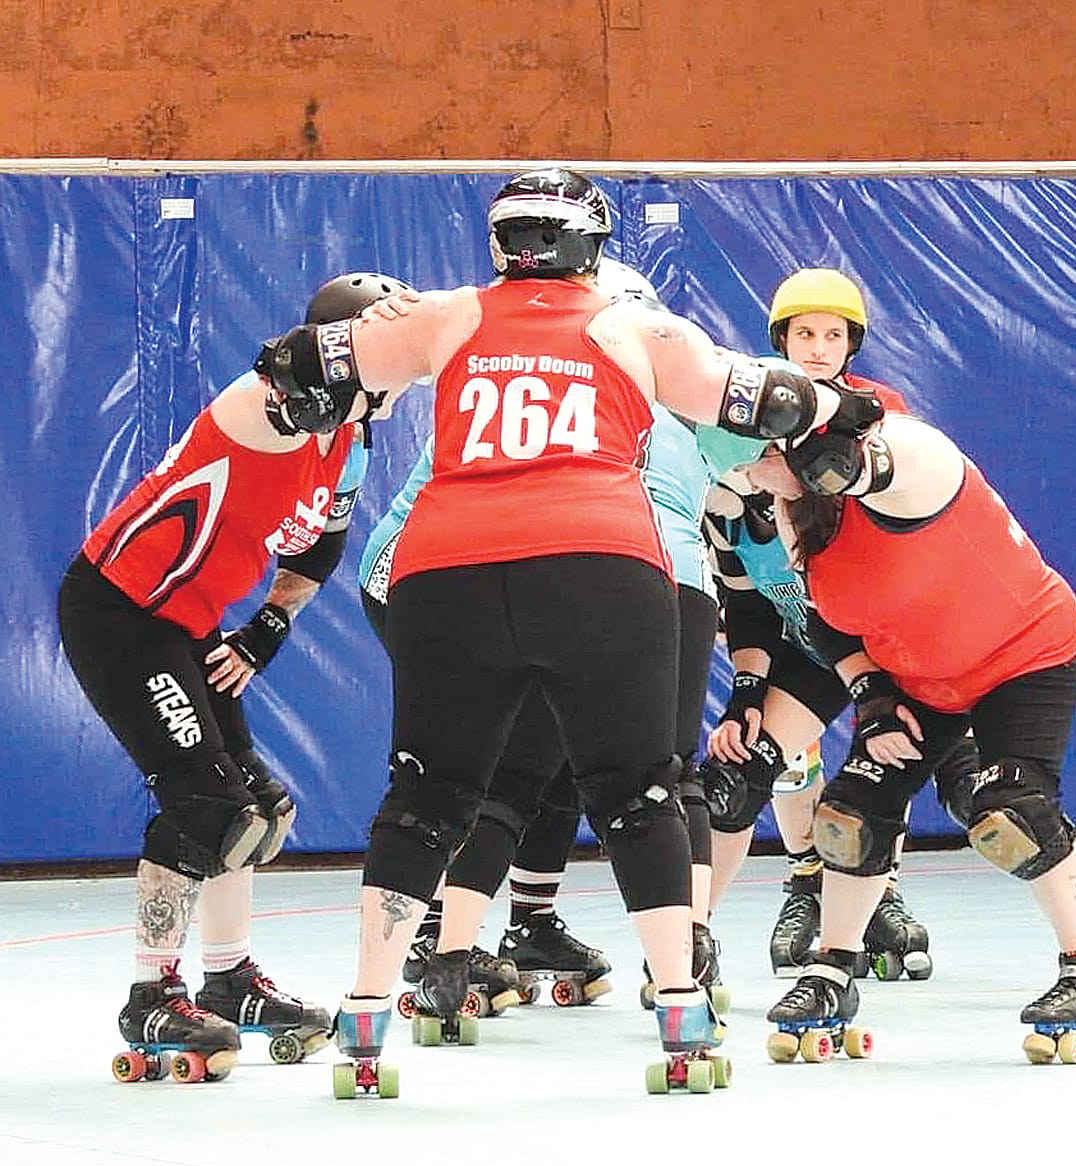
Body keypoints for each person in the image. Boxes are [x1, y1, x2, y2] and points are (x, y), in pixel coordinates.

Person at [253, 167, 832, 1095]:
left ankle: (365, 1016)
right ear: (590, 245)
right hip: (597, 565)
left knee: (427, 794)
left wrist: (339, 347)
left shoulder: (449, 314)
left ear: (501, 243)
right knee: (640, 788)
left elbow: (301, 361)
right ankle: (680, 1009)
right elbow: (769, 400)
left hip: (444, 570)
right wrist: (844, 411)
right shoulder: (636, 326)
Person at [57, 271, 409, 1082]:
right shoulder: (273, 406)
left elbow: (318, 550)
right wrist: (356, 352)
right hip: (120, 612)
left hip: (189, 622)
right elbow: (281, 374)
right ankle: (151, 994)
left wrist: (268, 628)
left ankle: (229, 978)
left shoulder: (350, 441)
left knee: (258, 809)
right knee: (207, 809)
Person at [355, 257, 722, 1017]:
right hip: (614, 577)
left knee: (479, 779)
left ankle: (457, 949)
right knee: (629, 781)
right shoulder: (665, 393)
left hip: (436, 576)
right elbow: (770, 452)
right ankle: (678, 974)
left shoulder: (483, 356)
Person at [732, 377, 1076, 1065]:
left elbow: (880, 454)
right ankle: (833, 969)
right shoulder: (798, 513)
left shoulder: (918, 468)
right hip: (923, 678)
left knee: (1011, 813)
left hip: (1022, 652)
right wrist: (873, 699)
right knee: (849, 815)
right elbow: (828, 621)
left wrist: (811, 452)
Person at [695, 268, 952, 982]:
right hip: (802, 635)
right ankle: (721, 924)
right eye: (803, 333)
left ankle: (880, 891)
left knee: (912, 762)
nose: (816, 347)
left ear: (850, 345)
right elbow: (744, 597)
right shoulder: (735, 454)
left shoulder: (875, 415)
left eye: (831, 335)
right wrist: (746, 692)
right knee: (742, 771)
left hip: (879, 628)